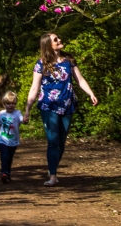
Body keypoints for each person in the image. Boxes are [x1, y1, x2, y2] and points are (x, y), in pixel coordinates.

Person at [24, 32, 98, 185]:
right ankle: (53, 176)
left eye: (58, 38)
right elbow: (34, 88)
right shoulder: (41, 64)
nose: (59, 40)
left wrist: (91, 93)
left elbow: (80, 79)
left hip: (67, 105)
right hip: (48, 106)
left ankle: (52, 169)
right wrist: (27, 109)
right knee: (53, 141)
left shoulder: (69, 60)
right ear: (48, 45)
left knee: (61, 142)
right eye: (55, 40)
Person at [0, 91, 24, 183]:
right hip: (3, 139)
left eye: (13, 103)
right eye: (8, 103)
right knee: (4, 156)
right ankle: (4, 173)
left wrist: (25, 120)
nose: (11, 105)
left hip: (13, 140)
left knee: (9, 157)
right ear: (4, 104)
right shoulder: (2, 113)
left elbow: (22, 120)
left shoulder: (17, 113)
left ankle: (7, 174)